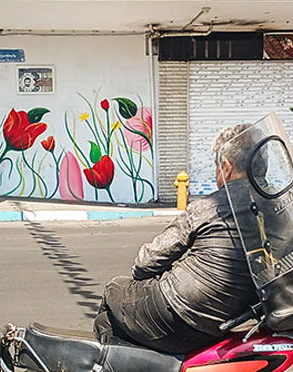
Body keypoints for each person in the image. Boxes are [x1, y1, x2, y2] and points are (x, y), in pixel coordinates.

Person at [93, 124, 259, 354]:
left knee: (114, 290)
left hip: (175, 313)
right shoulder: (279, 211)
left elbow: (145, 263)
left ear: (227, 167)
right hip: (221, 325)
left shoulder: (208, 207)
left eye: (216, 167)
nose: (215, 175)